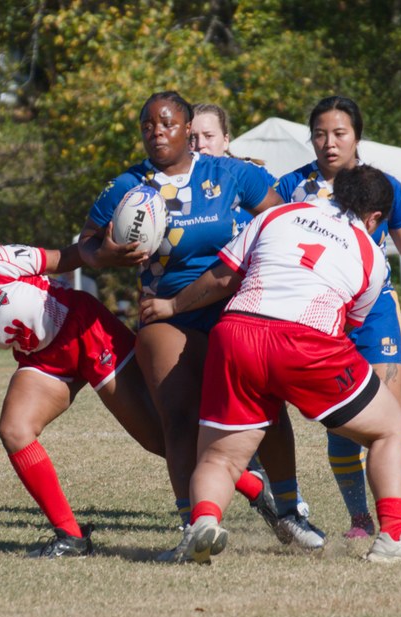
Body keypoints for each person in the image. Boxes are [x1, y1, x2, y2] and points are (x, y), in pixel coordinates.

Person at [140, 165, 401, 565]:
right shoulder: (369, 251)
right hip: (306, 342)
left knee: (220, 457)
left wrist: (173, 305)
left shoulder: (277, 214)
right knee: (390, 429)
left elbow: (222, 277)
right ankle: (393, 536)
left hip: (238, 333)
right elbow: (351, 321)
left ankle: (203, 524)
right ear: (375, 219)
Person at [78, 91, 324, 558]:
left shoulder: (232, 174)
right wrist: (105, 254)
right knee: (179, 415)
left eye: (166, 124)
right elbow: (86, 243)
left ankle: (289, 512)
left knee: (265, 406)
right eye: (147, 125)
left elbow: (280, 223)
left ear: (188, 129)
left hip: (237, 308)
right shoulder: (127, 186)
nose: (156, 132)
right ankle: (194, 524)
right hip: (164, 312)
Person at [0, 184, 165, 558]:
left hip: (86, 329)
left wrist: (104, 255)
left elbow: (66, 257)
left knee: (157, 438)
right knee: (14, 430)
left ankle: (247, 479)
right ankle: (70, 537)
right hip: (45, 359)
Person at [276, 96, 401, 539]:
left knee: (389, 413)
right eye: (320, 134)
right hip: (319, 317)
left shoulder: (382, 186)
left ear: (357, 136)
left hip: (374, 314)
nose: (329, 143)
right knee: (341, 420)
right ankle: (359, 518)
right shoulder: (289, 188)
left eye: (340, 134)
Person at [190, 101, 312, 523]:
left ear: (227, 140)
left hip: (247, 313)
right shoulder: (174, 186)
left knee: (267, 409)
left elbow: (284, 227)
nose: (200, 145)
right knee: (203, 412)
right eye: (193, 138)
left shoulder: (248, 181)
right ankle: (238, 487)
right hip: (194, 313)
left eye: (208, 136)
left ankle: (287, 497)